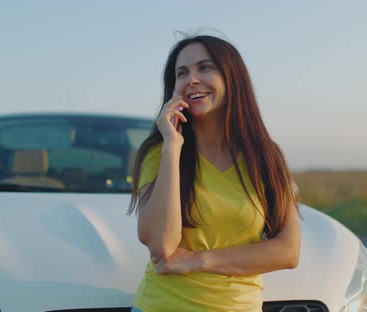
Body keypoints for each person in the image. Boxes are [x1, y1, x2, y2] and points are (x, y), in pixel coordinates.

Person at [127, 34, 301, 312]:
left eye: (205, 67)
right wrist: (172, 147)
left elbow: (288, 252)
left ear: (233, 78)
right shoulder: (158, 153)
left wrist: (198, 260)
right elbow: (161, 246)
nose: (191, 79)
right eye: (181, 73)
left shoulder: (266, 157)